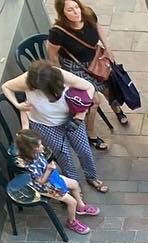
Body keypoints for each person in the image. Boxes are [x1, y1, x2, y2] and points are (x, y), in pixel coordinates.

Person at [1, 59, 106, 191]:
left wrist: (81, 114)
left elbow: (89, 88)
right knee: (64, 156)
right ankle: (74, 185)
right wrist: (17, 104)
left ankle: (91, 176)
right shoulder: (26, 80)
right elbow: (6, 87)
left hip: (72, 118)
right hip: (44, 124)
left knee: (84, 150)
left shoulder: (62, 76)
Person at [46, 0, 124, 146]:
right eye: (70, 10)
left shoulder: (88, 14)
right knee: (93, 101)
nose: (76, 12)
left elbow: (98, 27)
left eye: (76, 7)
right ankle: (91, 133)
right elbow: (52, 54)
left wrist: (108, 48)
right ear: (62, 13)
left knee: (109, 86)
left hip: (95, 60)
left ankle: (116, 109)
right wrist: (62, 77)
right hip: (76, 67)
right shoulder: (58, 32)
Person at [13, 130, 97, 234]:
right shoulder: (30, 164)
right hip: (46, 186)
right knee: (71, 202)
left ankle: (81, 206)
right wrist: (49, 169)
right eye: (39, 145)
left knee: (75, 184)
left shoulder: (37, 153)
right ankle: (71, 221)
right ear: (29, 149)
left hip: (52, 177)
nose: (42, 147)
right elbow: (41, 182)